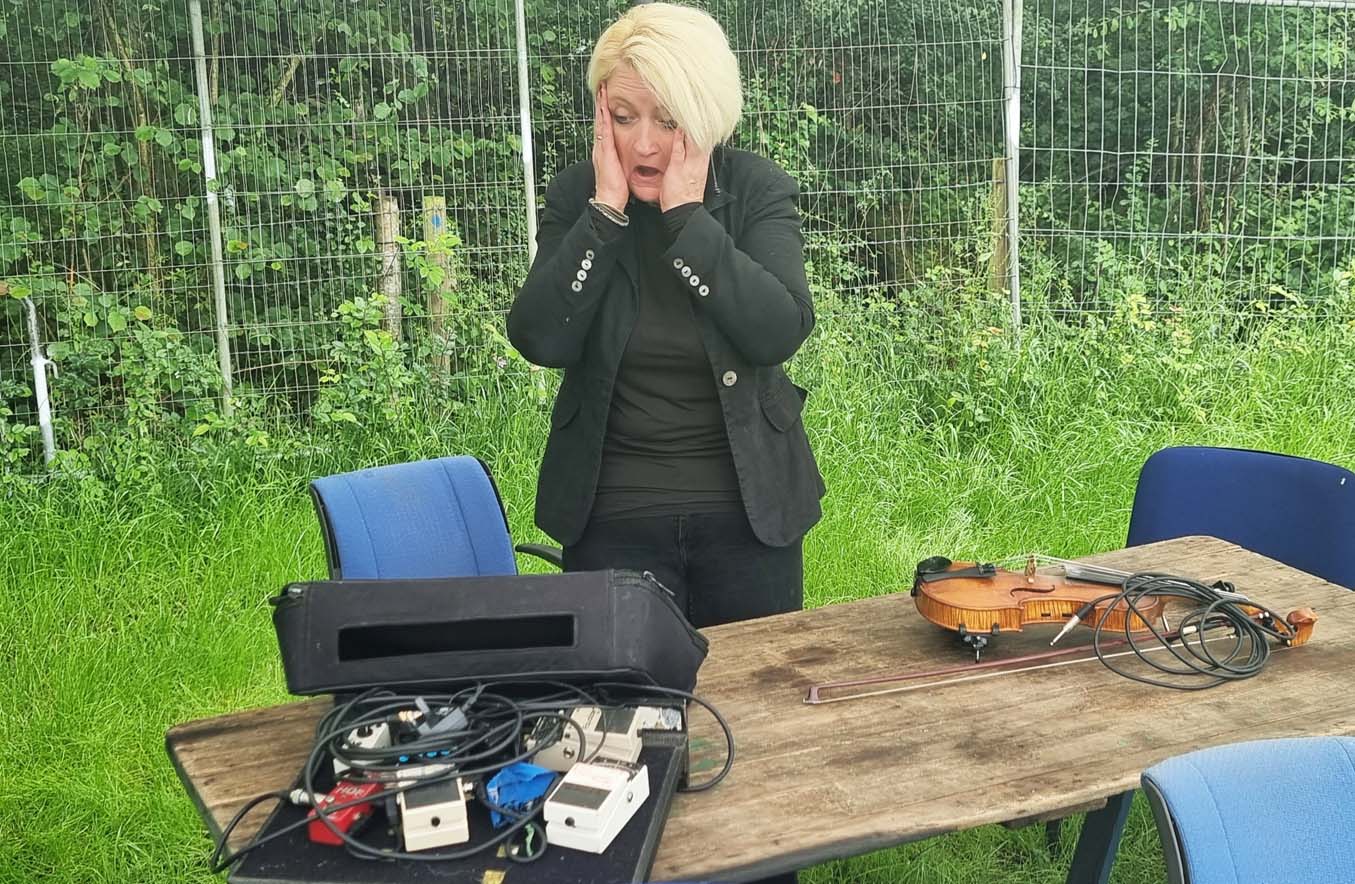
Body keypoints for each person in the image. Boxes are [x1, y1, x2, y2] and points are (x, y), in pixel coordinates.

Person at [507, 1, 824, 633]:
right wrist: (604, 216)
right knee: (617, 690)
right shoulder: (578, 197)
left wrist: (687, 221)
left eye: (668, 119)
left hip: (748, 513)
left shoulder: (756, 190)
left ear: (705, 116)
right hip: (611, 514)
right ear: (602, 116)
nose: (644, 143)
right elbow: (541, 338)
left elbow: (777, 331)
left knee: (756, 685)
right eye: (624, 118)